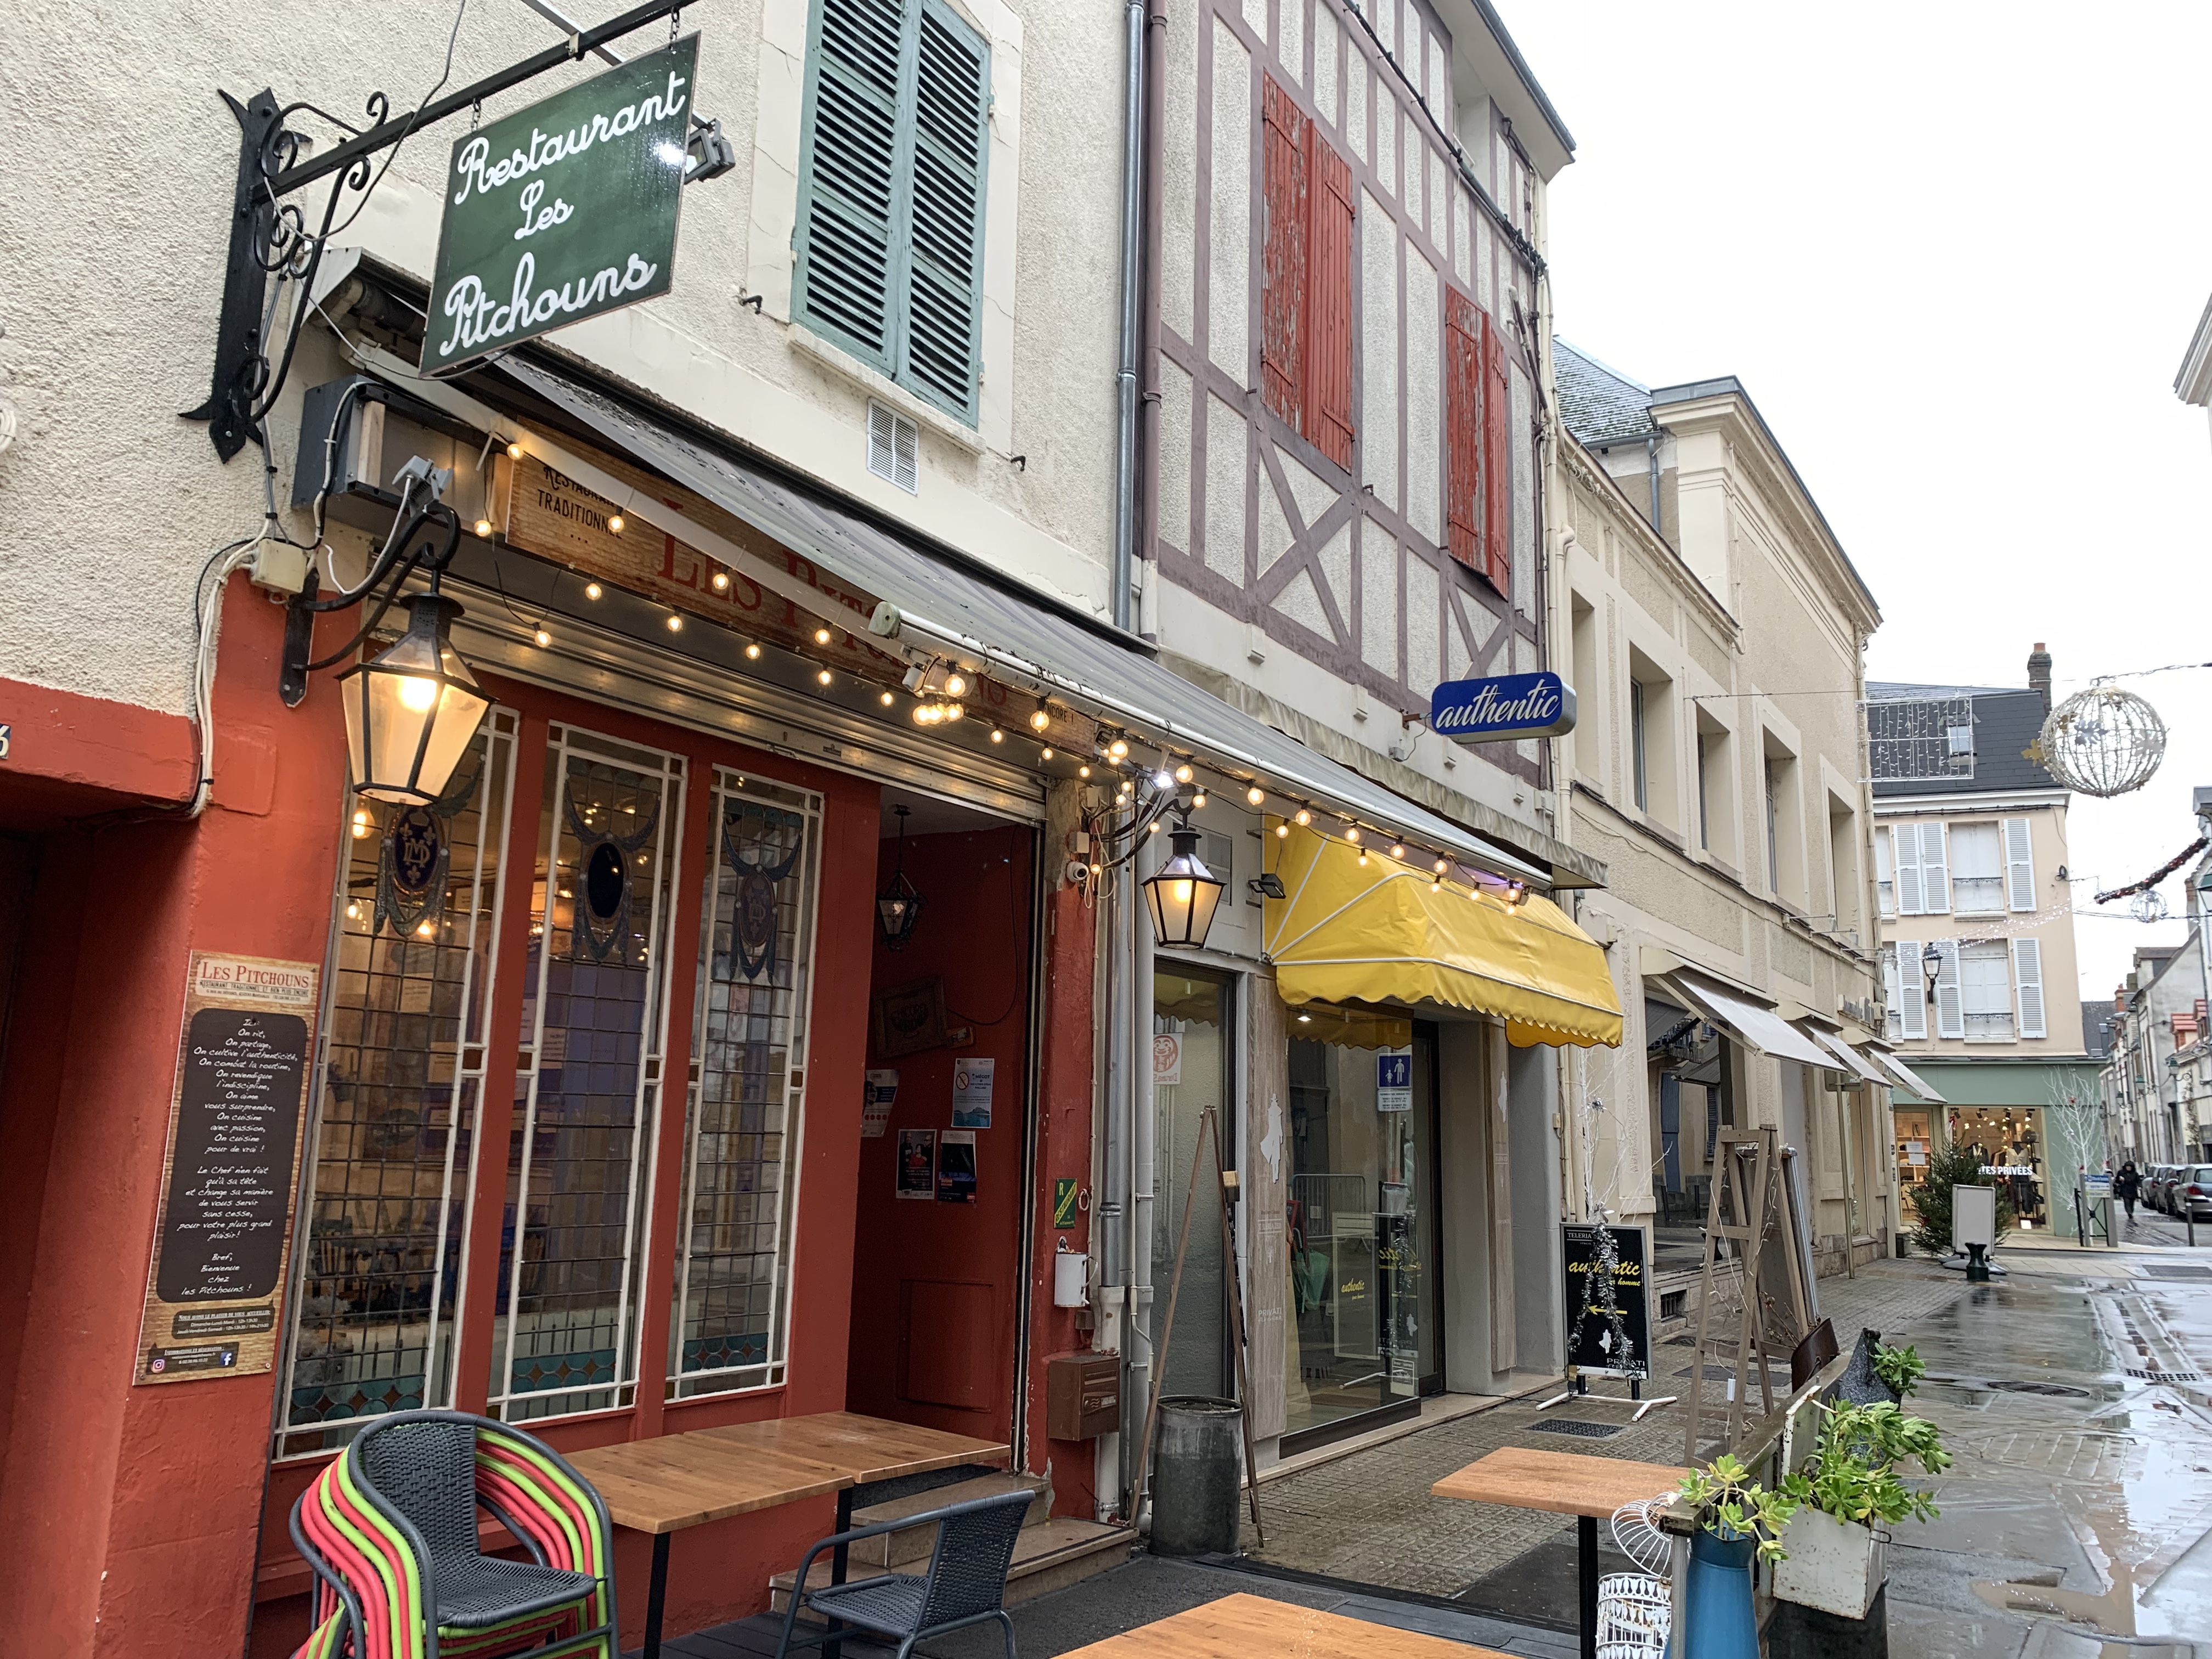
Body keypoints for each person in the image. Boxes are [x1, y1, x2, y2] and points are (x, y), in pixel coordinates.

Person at [2114, 1161, 2142, 1227]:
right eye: (2127, 1166)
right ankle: (2129, 1213)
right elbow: (2117, 1180)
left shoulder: (2135, 1174)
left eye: (2130, 1167)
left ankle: (2131, 1212)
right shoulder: (2121, 1173)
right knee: (2127, 1202)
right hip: (2125, 1189)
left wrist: (2139, 1186)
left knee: (2132, 1203)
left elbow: (2138, 1181)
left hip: (2133, 1190)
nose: (2129, 1168)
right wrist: (2120, 1180)